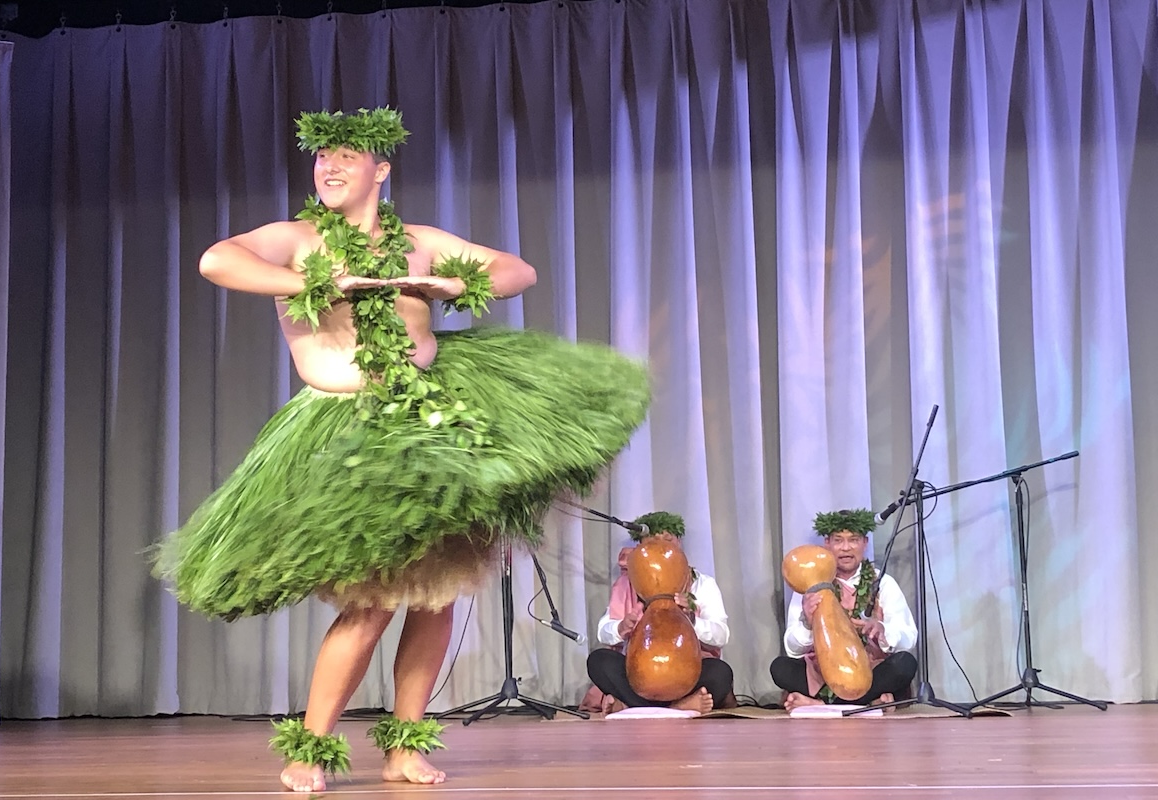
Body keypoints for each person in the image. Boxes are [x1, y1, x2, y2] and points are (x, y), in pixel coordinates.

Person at [154, 108, 650, 792]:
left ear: (380, 170)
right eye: (321, 157)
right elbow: (218, 259)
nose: (328, 167)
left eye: (346, 157)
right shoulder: (297, 239)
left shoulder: (417, 241)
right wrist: (321, 284)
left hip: (434, 420)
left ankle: (405, 746)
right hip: (349, 434)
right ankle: (310, 748)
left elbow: (515, 269)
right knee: (371, 603)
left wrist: (454, 284)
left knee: (435, 598)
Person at [584, 512, 733, 715]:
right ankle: (679, 707)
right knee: (599, 660)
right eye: (652, 543)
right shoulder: (626, 584)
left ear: (678, 544)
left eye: (668, 540)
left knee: (720, 673)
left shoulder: (702, 584)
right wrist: (620, 628)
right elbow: (603, 631)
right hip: (639, 674)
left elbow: (721, 635)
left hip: (687, 673)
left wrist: (692, 621)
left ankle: (631, 706)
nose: (661, 547)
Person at [770, 508, 918, 711]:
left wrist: (883, 630)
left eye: (854, 540)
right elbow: (792, 649)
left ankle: (822, 706)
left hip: (869, 668)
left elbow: (909, 638)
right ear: (827, 544)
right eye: (838, 540)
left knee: (904, 664)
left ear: (865, 543)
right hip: (822, 672)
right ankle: (865, 705)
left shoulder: (882, 582)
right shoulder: (809, 584)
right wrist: (807, 621)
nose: (846, 548)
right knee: (780, 668)